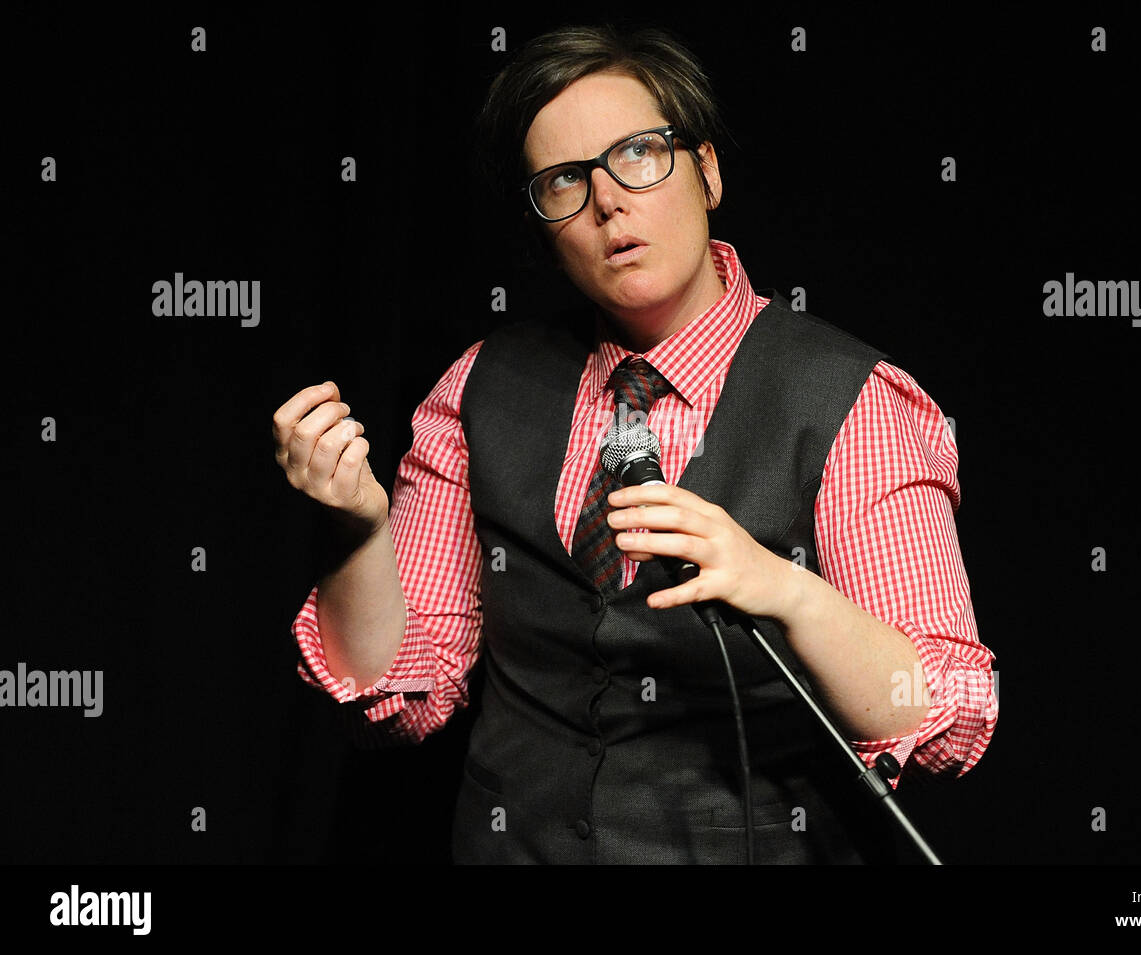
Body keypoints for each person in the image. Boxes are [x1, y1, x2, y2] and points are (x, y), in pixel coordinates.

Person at [273, 23, 998, 864]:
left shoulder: (851, 400)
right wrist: (359, 532)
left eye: (640, 154)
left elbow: (946, 711)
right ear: (542, 222)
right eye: (564, 182)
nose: (608, 199)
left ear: (708, 171)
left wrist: (787, 590)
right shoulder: (476, 389)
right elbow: (399, 696)